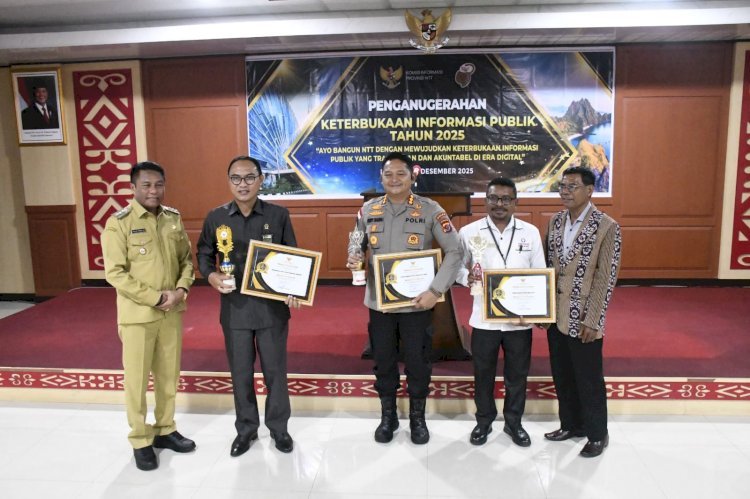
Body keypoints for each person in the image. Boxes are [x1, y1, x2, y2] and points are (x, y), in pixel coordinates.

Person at [347, 152, 462, 445]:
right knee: (383, 361)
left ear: (413, 176)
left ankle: (417, 418)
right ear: (381, 177)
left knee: (418, 361)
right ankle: (388, 416)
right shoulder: (368, 209)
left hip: (417, 304)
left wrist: (436, 291)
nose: (394, 179)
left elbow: (456, 250)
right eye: (388, 174)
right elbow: (356, 242)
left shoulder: (430, 209)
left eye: (401, 173)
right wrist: (354, 255)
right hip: (380, 304)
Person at [197, 155, 299, 457]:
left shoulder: (279, 215)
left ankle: (279, 429)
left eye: (250, 177)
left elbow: (293, 256)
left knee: (275, 372)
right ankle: (246, 429)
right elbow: (204, 254)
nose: (243, 184)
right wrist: (211, 275)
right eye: (236, 178)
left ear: (261, 180)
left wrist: (295, 287)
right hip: (235, 309)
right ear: (229, 181)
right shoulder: (216, 217)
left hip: (271, 309)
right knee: (240, 374)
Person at [102, 161, 196, 471]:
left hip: (172, 312)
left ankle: (165, 429)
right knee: (137, 380)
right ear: (133, 187)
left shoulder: (172, 219)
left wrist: (180, 291)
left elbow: (186, 261)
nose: (153, 190)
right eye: (146, 185)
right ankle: (140, 439)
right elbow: (115, 273)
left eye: (158, 184)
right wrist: (155, 298)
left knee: (169, 377)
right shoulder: (119, 223)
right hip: (138, 316)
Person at [457, 177, 546, 447]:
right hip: (484, 320)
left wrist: (537, 311)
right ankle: (483, 421)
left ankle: (513, 422)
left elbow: (539, 273)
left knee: (517, 375)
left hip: (519, 320)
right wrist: (466, 279)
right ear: (485, 201)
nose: (500, 204)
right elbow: (457, 266)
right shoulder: (469, 232)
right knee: (483, 374)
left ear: (515, 202)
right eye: (494, 198)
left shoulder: (530, 232)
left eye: (506, 199)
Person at [543, 166, 621, 458]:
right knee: (562, 375)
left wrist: (594, 319)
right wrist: (542, 310)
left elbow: (606, 277)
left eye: (572, 186)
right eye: (562, 186)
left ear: (589, 190)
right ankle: (571, 425)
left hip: (584, 318)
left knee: (588, 379)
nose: (565, 191)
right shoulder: (555, 221)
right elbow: (548, 268)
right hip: (556, 316)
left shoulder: (607, 226)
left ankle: (597, 434)